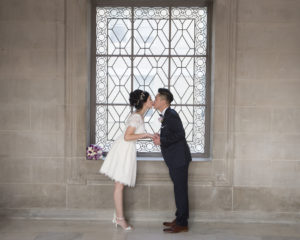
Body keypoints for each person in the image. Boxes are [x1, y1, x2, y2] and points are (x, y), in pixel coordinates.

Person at [99, 89, 154, 231]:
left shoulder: (139, 116)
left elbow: (133, 135)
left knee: (119, 185)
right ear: (144, 102)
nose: (152, 102)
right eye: (150, 100)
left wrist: (149, 135)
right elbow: (127, 136)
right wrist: (146, 134)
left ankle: (117, 216)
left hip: (126, 149)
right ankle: (120, 219)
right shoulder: (136, 117)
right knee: (119, 186)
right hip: (124, 149)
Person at [153, 88, 192, 233]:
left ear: (163, 101)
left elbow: (180, 135)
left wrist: (161, 141)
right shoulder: (167, 114)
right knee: (178, 189)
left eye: (156, 99)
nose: (154, 101)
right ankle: (180, 218)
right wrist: (160, 138)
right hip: (175, 159)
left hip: (179, 159)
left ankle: (182, 223)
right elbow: (172, 134)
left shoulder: (171, 114)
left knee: (180, 191)